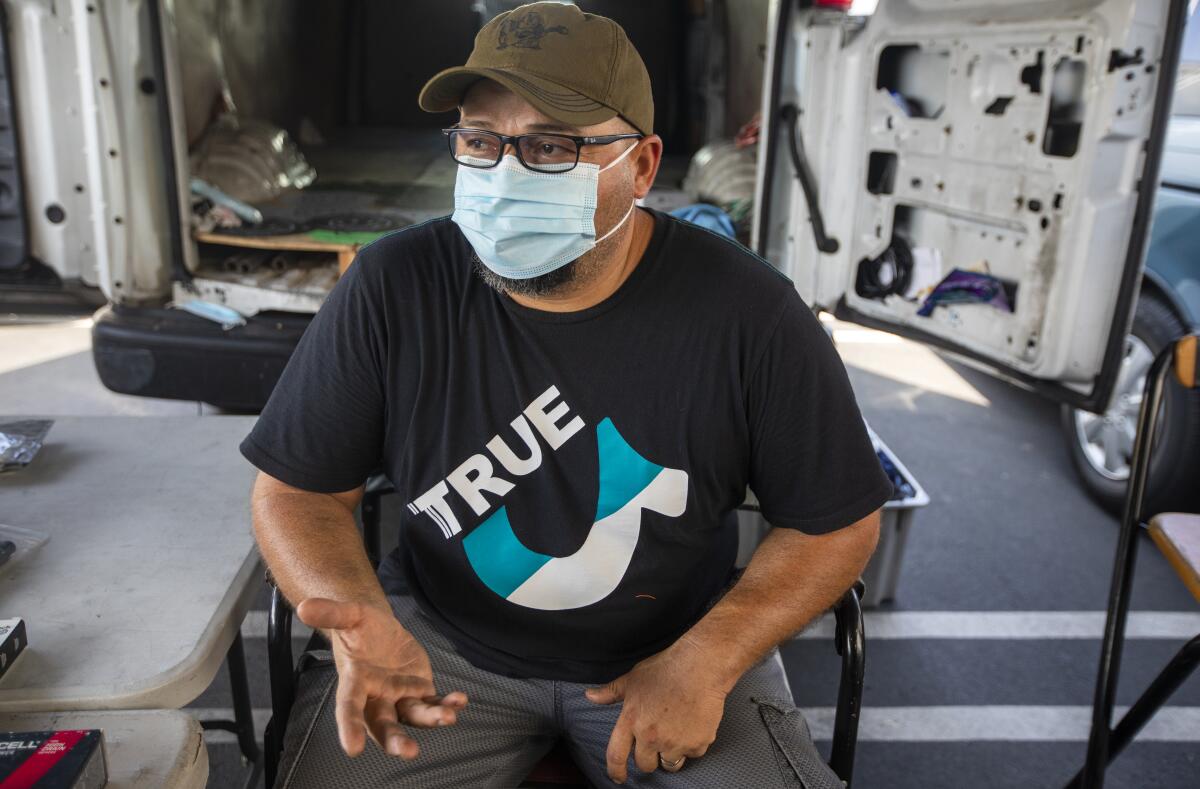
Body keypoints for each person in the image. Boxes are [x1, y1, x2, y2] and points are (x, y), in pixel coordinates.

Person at [241, 3, 891, 787]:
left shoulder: (749, 313)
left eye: (551, 145)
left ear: (643, 167)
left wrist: (708, 658)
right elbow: (298, 490)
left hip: (672, 647)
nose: (504, 174)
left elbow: (836, 521)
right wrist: (358, 620)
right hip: (439, 649)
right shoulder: (393, 286)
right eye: (480, 140)